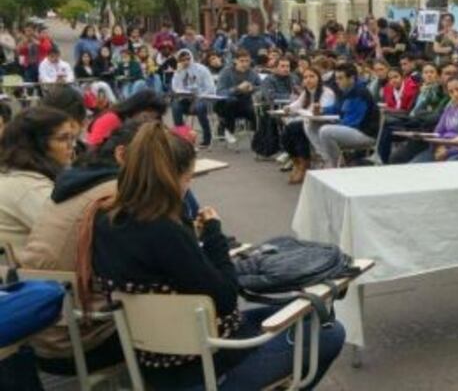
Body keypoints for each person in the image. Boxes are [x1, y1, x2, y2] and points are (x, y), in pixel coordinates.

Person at [78, 122, 345, 389]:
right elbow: (226, 297)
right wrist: (214, 234)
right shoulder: (164, 230)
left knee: (300, 312)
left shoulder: (104, 219)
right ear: (172, 178)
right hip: (203, 364)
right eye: (187, 178)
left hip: (150, 362)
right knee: (328, 330)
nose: (188, 186)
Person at [19, 121, 147, 374]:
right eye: (158, 158)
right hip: (80, 343)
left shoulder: (74, 184)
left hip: (39, 331)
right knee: (189, 316)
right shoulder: (115, 193)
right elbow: (145, 266)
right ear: (122, 155)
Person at [0, 107, 76, 253]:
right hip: (27, 273)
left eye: (72, 138)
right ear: (36, 145)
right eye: (63, 138)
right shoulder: (28, 188)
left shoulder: (15, 175)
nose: (71, 146)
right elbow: (69, 235)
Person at [309, 62, 380, 168]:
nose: (337, 82)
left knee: (326, 131)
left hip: (365, 133)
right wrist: (322, 110)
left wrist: (333, 122)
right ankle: (326, 159)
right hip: (353, 129)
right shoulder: (346, 90)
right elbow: (337, 109)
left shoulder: (360, 93)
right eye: (336, 78)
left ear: (351, 78)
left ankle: (337, 167)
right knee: (313, 124)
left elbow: (353, 122)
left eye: (340, 78)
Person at [282, 68, 335, 184]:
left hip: (321, 124)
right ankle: (297, 162)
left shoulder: (327, 92)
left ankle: (304, 165)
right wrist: (288, 108)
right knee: (286, 132)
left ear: (318, 78)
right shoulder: (306, 92)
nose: (308, 80)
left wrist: (303, 111)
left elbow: (321, 111)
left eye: (312, 76)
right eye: (305, 77)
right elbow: (297, 105)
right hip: (308, 121)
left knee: (295, 128)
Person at [412, 74, 458, 163]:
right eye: (451, 92)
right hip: (440, 148)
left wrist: (448, 151)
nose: (455, 94)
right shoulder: (449, 109)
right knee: (414, 164)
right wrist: (437, 148)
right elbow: (438, 131)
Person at [88, 89, 168, 148]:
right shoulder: (111, 119)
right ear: (136, 108)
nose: (147, 123)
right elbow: (94, 148)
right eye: (145, 117)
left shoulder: (134, 124)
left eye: (153, 119)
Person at [214, 50, 262, 144]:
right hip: (224, 104)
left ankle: (260, 137)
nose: (244, 64)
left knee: (258, 110)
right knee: (231, 101)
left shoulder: (252, 73)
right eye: (242, 61)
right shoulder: (226, 72)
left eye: (247, 61)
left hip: (244, 103)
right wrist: (237, 89)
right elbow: (220, 92)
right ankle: (228, 129)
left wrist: (252, 88)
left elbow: (261, 87)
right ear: (235, 61)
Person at [171, 49, 215, 147]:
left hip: (203, 98)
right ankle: (182, 136)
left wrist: (199, 96)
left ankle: (207, 137)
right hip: (187, 100)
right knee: (175, 106)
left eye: (188, 59)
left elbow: (210, 87)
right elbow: (176, 88)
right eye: (182, 60)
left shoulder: (201, 69)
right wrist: (178, 73)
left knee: (199, 107)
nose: (186, 62)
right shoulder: (179, 71)